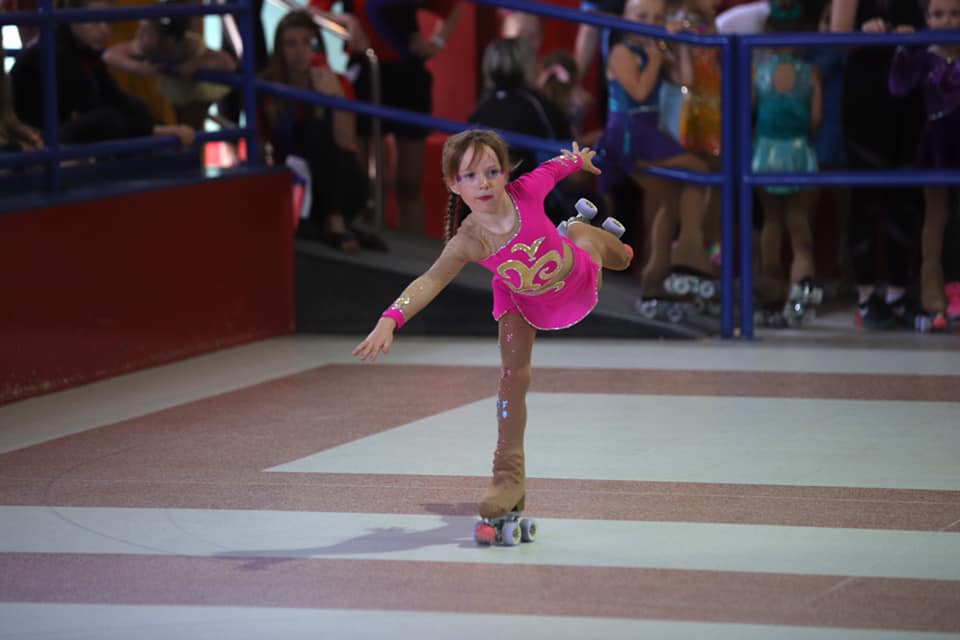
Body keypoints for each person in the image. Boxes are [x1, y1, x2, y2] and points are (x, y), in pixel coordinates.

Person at [352, 130, 633, 538]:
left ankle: (589, 235)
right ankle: (507, 479)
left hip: (575, 285)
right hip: (524, 300)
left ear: (506, 174)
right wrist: (391, 318)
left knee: (596, 248)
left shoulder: (527, 191)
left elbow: (556, 167)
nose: (483, 183)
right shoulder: (468, 240)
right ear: (453, 184)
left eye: (491, 171)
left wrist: (578, 160)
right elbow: (431, 280)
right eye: (470, 175)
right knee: (511, 378)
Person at [597, 0, 718, 319]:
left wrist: (679, 47)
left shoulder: (655, 50)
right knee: (698, 171)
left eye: (657, 18)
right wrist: (654, 59)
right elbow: (638, 92)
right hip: (629, 134)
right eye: (642, 17)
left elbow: (686, 80)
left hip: (650, 130)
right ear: (625, 19)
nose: (650, 23)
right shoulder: (622, 51)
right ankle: (688, 250)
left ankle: (655, 275)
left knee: (672, 200)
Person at [831, 0, 926, 329]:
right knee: (866, 196)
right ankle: (866, 293)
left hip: (911, 97)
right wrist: (864, 33)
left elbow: (942, 24)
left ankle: (899, 291)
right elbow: (837, 39)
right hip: (867, 98)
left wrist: (918, 35)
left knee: (907, 197)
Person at [258, 10, 385, 253]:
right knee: (309, 131)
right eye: (291, 43)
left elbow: (345, 143)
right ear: (279, 49)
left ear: (318, 46)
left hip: (341, 186)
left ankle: (335, 221)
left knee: (317, 130)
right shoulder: (268, 87)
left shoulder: (338, 82)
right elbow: (260, 144)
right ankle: (332, 225)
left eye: (308, 42)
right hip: (295, 187)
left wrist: (335, 99)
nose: (300, 51)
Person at [341, 0, 463, 236]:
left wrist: (436, 42)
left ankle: (414, 251)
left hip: (408, 78)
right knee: (371, 183)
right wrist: (348, 22)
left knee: (409, 182)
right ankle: (370, 240)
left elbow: (451, 8)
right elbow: (312, 11)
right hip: (367, 74)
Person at [10, 0, 194, 148]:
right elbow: (91, 103)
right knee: (108, 121)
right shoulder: (58, 49)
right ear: (73, 16)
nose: (105, 30)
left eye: (108, 22)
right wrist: (154, 130)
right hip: (30, 136)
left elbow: (112, 95)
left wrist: (161, 126)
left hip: (49, 131)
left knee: (127, 109)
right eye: (96, 21)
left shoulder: (82, 47)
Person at [888, 0, 960, 331]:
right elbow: (898, 87)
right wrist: (903, 47)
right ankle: (934, 294)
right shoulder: (924, 56)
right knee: (936, 219)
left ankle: (956, 289)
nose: (948, 21)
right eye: (939, 14)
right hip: (937, 148)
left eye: (955, 14)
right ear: (927, 18)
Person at [751, 0, 824, 323]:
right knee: (799, 224)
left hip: (765, 154)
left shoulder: (759, 73)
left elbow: (751, 110)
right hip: (799, 153)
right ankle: (801, 293)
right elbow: (816, 120)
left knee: (771, 221)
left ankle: (769, 295)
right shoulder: (810, 74)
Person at [102, 0, 237, 130]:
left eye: (147, 31)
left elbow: (229, 63)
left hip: (195, 89)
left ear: (168, 39)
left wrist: (195, 64)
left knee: (190, 127)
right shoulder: (145, 44)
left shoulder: (188, 45)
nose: (140, 34)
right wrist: (138, 68)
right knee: (179, 127)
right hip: (175, 88)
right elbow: (109, 55)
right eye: (141, 28)